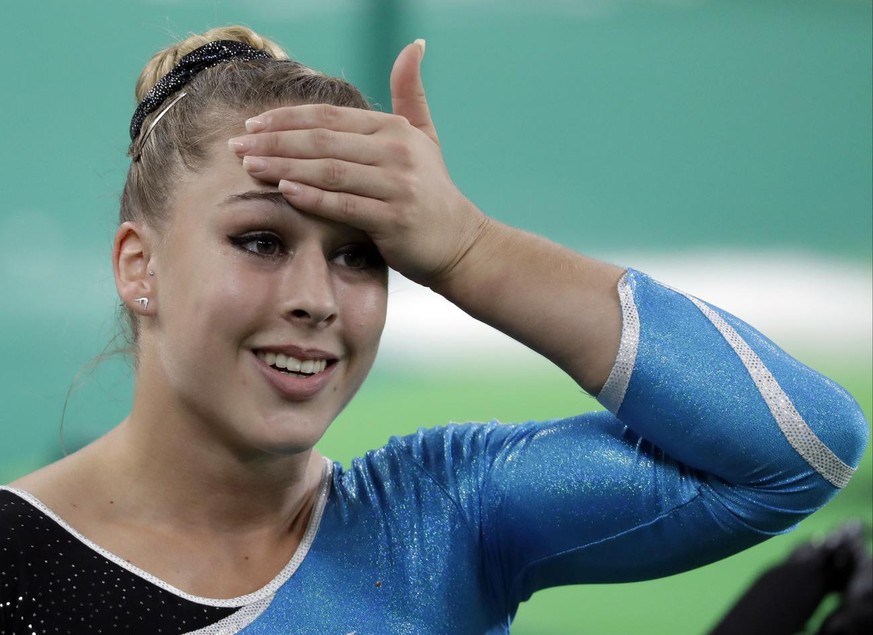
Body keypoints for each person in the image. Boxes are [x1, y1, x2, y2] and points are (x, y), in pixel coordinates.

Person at [0, 25, 867, 634]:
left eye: (359, 253)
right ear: (136, 265)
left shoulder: (445, 517)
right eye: (260, 240)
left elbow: (801, 447)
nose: (318, 298)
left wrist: (471, 251)